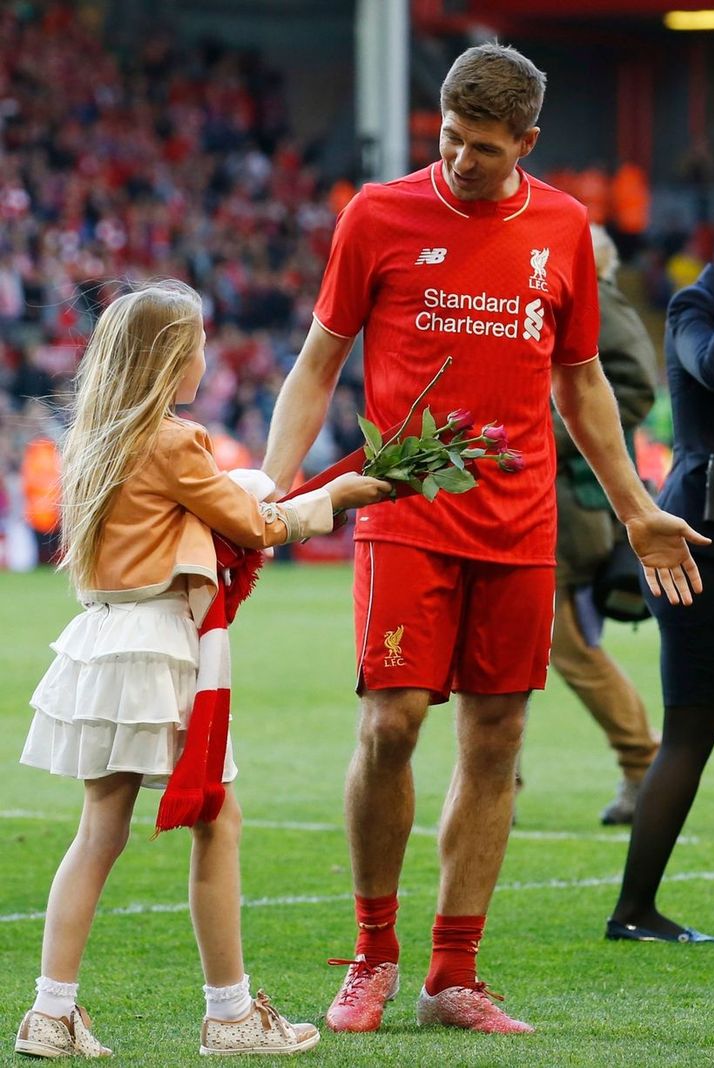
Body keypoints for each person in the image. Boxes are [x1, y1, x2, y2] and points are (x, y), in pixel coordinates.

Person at [262, 42, 708, 1036]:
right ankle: (371, 955)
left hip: (518, 524)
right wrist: (270, 482)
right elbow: (316, 360)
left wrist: (635, 507)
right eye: (450, 141)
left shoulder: (561, 226)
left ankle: (450, 975)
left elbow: (582, 381)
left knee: (497, 738)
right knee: (391, 723)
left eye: (482, 149)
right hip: (405, 510)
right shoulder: (376, 215)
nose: (460, 162)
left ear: (527, 143)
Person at [14, 280, 390, 1059]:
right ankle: (229, 1014)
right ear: (169, 357)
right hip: (158, 643)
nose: (206, 356)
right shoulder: (172, 440)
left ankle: (50, 1012)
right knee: (217, 819)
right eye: (197, 343)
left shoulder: (96, 435)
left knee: (100, 831)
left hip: (100, 639)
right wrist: (336, 496)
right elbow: (255, 523)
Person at [606, 227, 714, 944]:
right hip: (699, 550)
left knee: (694, 727)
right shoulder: (696, 305)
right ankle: (632, 910)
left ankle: (634, 909)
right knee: (691, 725)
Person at [550, 224, 660, 825]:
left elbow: (636, 388)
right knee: (501, 645)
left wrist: (551, 435)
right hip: (548, 502)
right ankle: (495, 784)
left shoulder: (597, 299)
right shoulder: (567, 302)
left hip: (567, 509)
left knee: (563, 644)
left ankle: (645, 763)